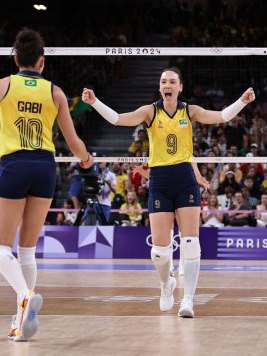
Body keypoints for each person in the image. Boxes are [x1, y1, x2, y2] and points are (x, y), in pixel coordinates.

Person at [82, 67, 255, 317]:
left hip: (184, 178)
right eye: (164, 81)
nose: (168, 85)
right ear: (160, 86)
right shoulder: (149, 111)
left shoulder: (189, 111)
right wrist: (94, 101)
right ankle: (166, 284)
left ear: (180, 87)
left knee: (191, 245)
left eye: (172, 81)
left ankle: (188, 300)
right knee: (160, 252)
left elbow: (222, 117)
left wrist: (242, 101)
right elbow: (117, 119)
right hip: (160, 180)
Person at [0, 28, 93, 341]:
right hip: (44, 167)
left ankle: (25, 296)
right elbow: (73, 140)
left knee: (0, 247)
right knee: (27, 249)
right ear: (42, 62)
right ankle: (21, 321)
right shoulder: (55, 92)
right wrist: (86, 159)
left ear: (15, 59)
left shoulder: (3, 86)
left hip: (13, 165)